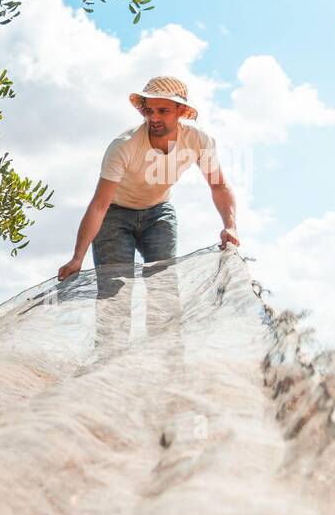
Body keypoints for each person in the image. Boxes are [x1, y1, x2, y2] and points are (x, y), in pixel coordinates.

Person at [56, 76, 240, 355]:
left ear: (181, 111)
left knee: (163, 287)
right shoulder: (124, 145)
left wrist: (231, 226)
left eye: (163, 111)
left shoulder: (198, 140)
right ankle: (109, 361)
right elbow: (99, 205)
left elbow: (218, 185)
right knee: (115, 293)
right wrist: (77, 257)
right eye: (149, 110)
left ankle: (166, 361)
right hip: (115, 216)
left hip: (158, 213)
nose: (154, 117)